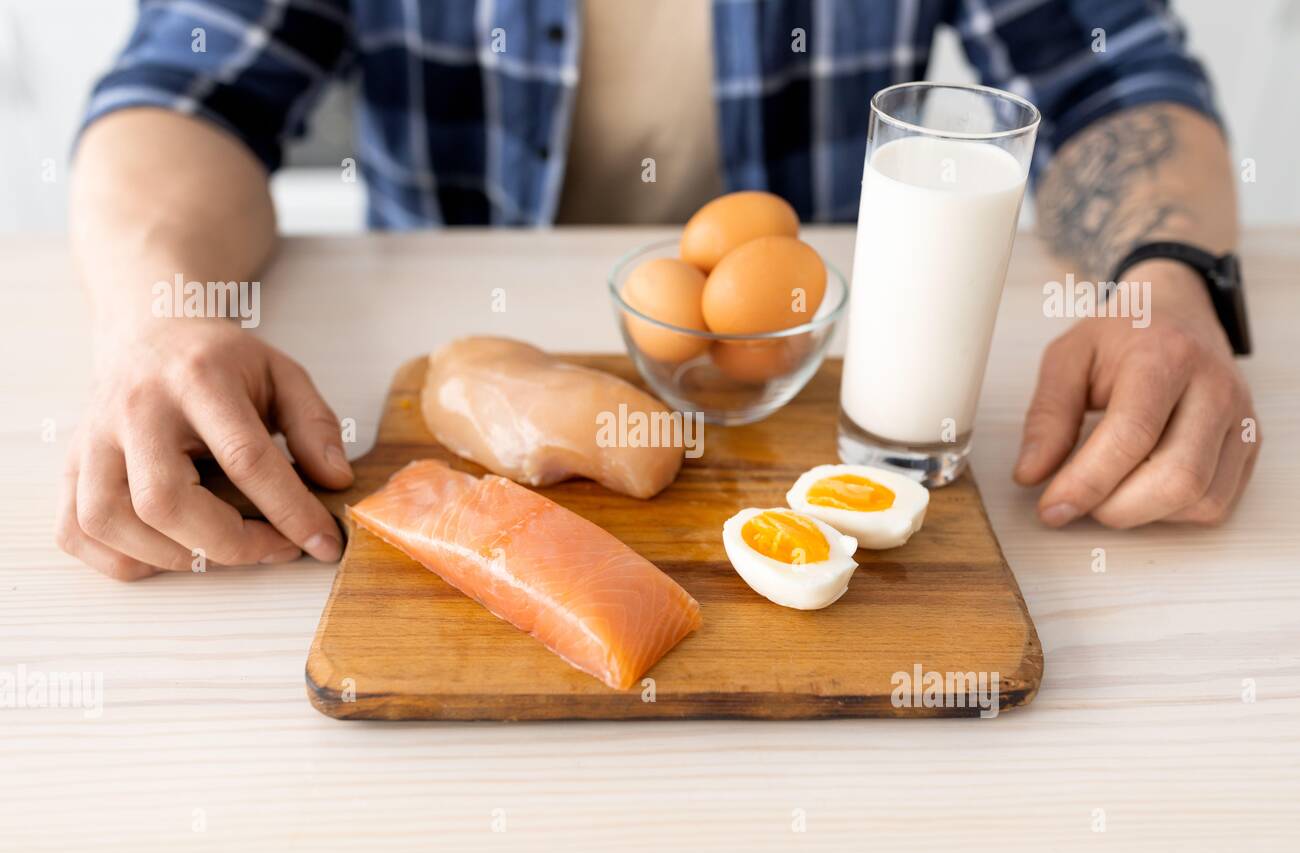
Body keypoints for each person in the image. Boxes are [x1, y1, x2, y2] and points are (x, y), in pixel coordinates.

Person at [60, 0, 1258, 580]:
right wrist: (161, 314)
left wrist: (1172, 280)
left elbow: (1115, 80)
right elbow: (184, 91)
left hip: (795, 379)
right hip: (453, 335)